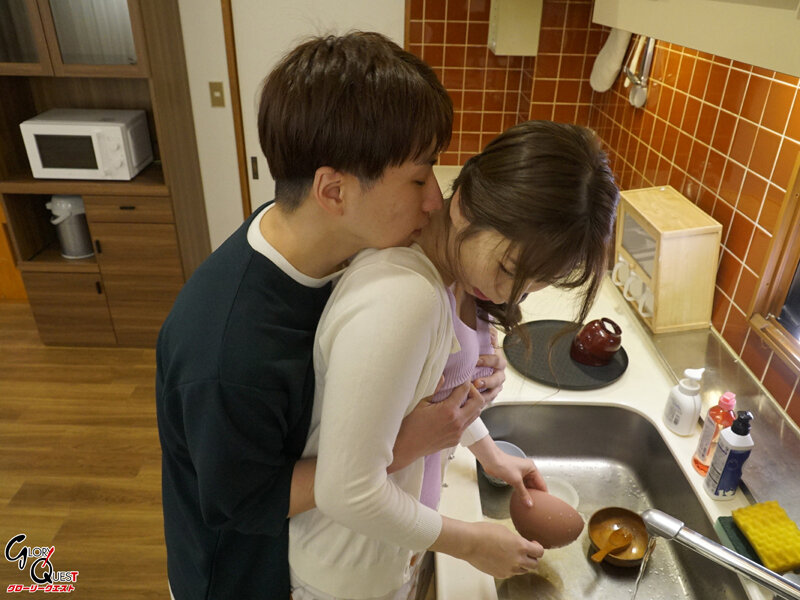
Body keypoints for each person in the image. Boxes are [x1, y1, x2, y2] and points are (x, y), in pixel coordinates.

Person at [155, 32, 507, 600]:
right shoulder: (226, 350)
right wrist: (402, 445)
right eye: (418, 178)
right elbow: (241, 502)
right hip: (245, 578)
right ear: (334, 191)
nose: (433, 200)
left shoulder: (330, 245)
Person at [289, 120, 620, 600]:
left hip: (387, 547)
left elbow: (431, 395)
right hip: (348, 572)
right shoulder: (405, 299)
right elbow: (346, 491)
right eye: (509, 269)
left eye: (534, 284)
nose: (509, 296)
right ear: (465, 205)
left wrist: (490, 453)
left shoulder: (453, 273)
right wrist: (470, 543)